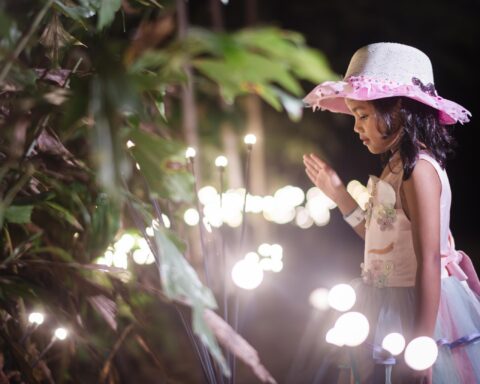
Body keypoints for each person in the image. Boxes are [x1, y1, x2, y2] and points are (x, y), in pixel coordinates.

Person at [302, 42, 480, 383]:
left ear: (398, 108)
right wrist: (339, 194)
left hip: (413, 305)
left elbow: (428, 259)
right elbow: (382, 240)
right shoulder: (396, 168)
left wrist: (422, 345)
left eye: (363, 115)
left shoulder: (419, 170)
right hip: (386, 299)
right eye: (355, 115)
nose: (356, 127)